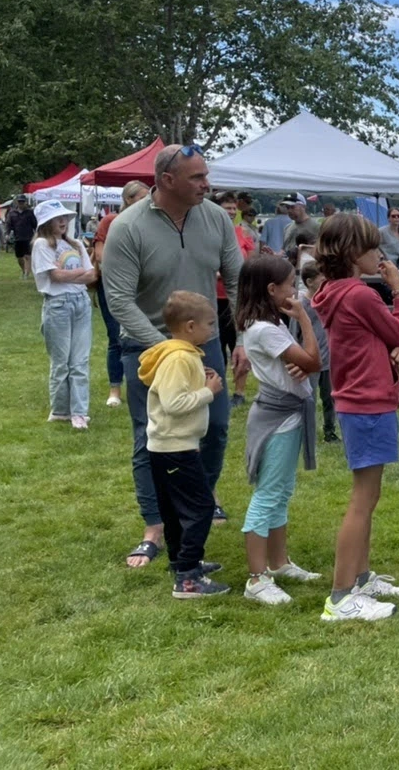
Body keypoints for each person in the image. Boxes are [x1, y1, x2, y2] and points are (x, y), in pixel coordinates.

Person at [102, 143, 244, 568]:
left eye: (205, 175)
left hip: (205, 345)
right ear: (166, 181)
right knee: (151, 436)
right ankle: (155, 528)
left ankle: (198, 500)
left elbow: (237, 280)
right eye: (197, 178)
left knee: (214, 427)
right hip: (146, 348)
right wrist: (169, 349)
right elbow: (119, 300)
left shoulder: (216, 218)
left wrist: (245, 341)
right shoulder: (127, 227)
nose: (207, 184)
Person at [311, 213, 399, 622]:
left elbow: (380, 341)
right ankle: (340, 597)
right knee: (363, 498)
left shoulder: (334, 291)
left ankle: (360, 577)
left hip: (359, 400)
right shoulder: (361, 295)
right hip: (368, 403)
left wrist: (388, 352)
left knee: (369, 497)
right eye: (373, 248)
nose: (380, 254)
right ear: (353, 254)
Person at [236, 255, 324, 605]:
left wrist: (300, 362)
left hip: (286, 416)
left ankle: (278, 563)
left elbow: (304, 362)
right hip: (278, 419)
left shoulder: (268, 324)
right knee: (268, 495)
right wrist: (303, 317)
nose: (296, 290)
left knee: (281, 491)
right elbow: (315, 361)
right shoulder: (266, 329)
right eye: (291, 284)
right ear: (272, 290)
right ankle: (257, 578)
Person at [138, 291, 231, 598]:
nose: (213, 330)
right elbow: (174, 403)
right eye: (208, 324)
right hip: (175, 446)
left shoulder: (182, 354)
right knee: (201, 507)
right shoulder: (179, 358)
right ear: (190, 327)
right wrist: (208, 391)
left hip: (168, 445)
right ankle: (188, 577)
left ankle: (181, 562)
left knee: (176, 509)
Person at [31, 200, 96, 430]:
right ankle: (60, 410)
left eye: (65, 218)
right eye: (58, 218)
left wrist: (71, 274)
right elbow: (55, 277)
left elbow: (92, 276)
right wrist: (79, 273)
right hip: (57, 305)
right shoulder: (41, 245)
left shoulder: (76, 244)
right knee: (61, 362)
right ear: (46, 222)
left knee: (80, 360)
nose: (63, 222)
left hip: (80, 303)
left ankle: (79, 412)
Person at [93, 181, 150, 408]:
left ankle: (142, 384)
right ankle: (115, 388)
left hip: (143, 288)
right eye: (141, 199)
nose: (147, 203)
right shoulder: (111, 221)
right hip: (114, 287)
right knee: (116, 337)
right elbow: (100, 256)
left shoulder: (149, 223)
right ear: (128, 199)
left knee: (143, 335)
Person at [211, 191, 258, 409]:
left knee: (238, 343)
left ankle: (239, 392)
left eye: (233, 208)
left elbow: (250, 263)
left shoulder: (241, 233)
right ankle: (217, 390)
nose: (230, 212)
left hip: (237, 299)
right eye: (226, 207)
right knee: (215, 347)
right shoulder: (209, 233)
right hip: (212, 298)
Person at [299, 261, 338, 443]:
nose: (326, 284)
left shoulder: (327, 301)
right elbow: (294, 335)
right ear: (309, 282)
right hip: (310, 361)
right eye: (322, 280)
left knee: (331, 398)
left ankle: (330, 431)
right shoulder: (302, 305)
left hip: (329, 360)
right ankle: (308, 434)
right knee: (310, 399)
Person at [8, 194, 38, 279]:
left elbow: (35, 224)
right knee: (19, 257)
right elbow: (9, 224)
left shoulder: (30, 212)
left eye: (22, 202)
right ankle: (24, 270)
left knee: (27, 256)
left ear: (25, 202)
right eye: (19, 202)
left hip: (28, 237)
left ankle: (26, 274)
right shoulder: (12, 213)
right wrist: (7, 234)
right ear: (17, 202)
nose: (21, 203)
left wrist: (37, 234)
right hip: (17, 237)